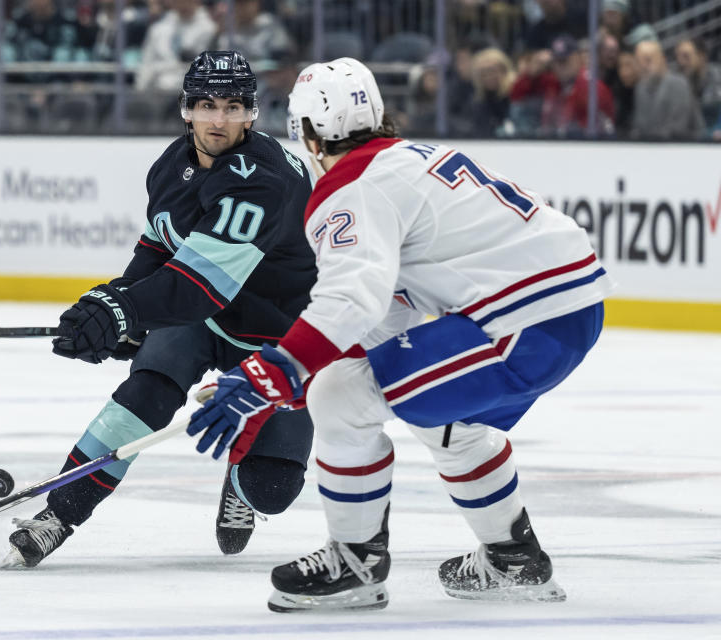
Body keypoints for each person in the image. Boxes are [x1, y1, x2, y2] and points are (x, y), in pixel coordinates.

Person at [187, 57, 615, 611]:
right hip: (561, 313)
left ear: (308, 132)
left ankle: (355, 563)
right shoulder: (410, 160)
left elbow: (350, 301)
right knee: (440, 417)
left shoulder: (349, 187)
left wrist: (272, 371)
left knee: (341, 396)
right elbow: (388, 320)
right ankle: (514, 560)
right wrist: (285, 380)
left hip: (520, 325)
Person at [1, 50, 317, 568]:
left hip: (278, 337)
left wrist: (122, 309)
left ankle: (240, 477)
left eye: (234, 106)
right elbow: (158, 248)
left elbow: (200, 285)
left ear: (253, 113)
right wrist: (117, 307)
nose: (219, 119)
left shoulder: (264, 180)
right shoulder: (173, 164)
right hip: (204, 320)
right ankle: (57, 515)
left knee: (273, 488)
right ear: (185, 108)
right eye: (207, 104)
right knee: (143, 395)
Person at [631, 39, 703, 140]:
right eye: (639, 61)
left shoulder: (679, 84)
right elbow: (639, 126)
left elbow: (677, 128)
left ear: (662, 60)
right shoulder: (640, 88)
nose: (643, 66)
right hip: (652, 148)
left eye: (648, 60)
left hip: (686, 149)